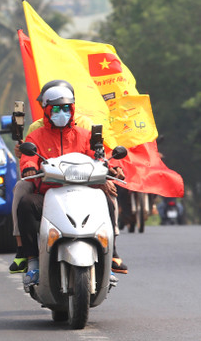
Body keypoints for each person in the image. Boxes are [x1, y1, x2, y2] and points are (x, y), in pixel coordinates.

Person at [10, 80, 128, 275]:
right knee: (26, 204)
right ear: (46, 109)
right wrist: (29, 167)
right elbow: (29, 157)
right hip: (48, 193)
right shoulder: (36, 135)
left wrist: (112, 168)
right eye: (56, 109)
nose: (61, 113)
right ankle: (30, 258)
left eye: (66, 108)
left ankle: (110, 253)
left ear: (72, 108)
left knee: (107, 200)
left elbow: (99, 155)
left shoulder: (85, 134)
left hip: (84, 191)